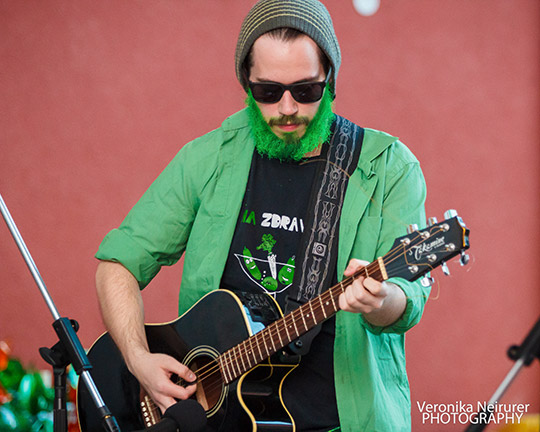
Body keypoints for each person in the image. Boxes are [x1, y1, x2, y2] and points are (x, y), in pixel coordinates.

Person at [94, 0, 428, 431]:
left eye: (305, 90)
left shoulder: (388, 167)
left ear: (330, 81)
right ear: (245, 82)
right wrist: (137, 359)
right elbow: (117, 264)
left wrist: (381, 301)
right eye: (268, 92)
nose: (287, 108)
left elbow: (409, 296)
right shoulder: (210, 157)